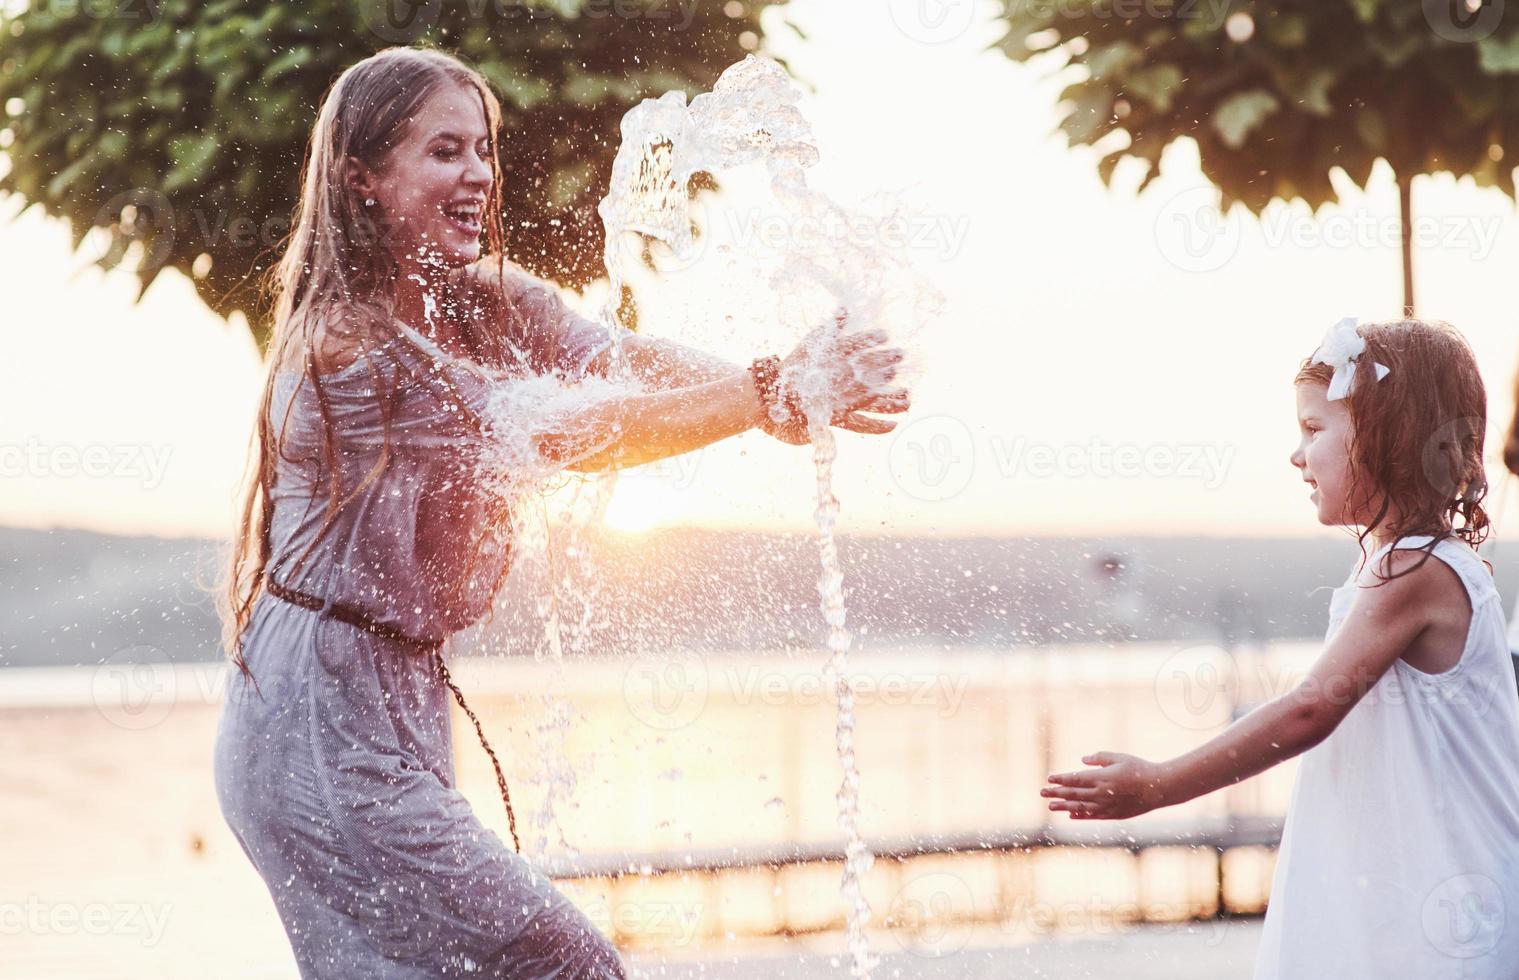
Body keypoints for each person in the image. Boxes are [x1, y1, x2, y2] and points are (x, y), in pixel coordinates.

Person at [212, 46, 907, 979]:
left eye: (483, 151)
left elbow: (617, 362)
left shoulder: (485, 303)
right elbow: (562, 434)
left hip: (384, 692)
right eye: (445, 152)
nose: (478, 176)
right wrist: (767, 395)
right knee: (564, 960)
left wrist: (788, 392)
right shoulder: (354, 353)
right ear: (363, 180)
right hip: (316, 717)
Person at [1042, 318, 1519, 978]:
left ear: (1390, 438)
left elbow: (1306, 711)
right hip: (1426, 893)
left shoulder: (1410, 571)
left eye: (1314, 430)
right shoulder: (1413, 565)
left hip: (1445, 905)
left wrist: (1158, 785)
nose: (1296, 455)